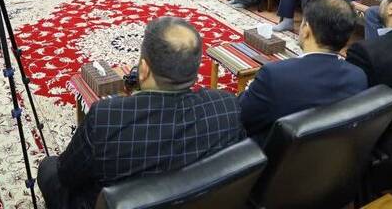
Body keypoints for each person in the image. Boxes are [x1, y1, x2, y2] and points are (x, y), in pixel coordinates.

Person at [36, 17, 245, 208]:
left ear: (143, 70)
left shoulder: (106, 118)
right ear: (195, 69)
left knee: (48, 168)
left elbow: (66, 175)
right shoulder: (226, 106)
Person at [239, 0, 367, 144]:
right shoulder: (358, 77)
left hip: (272, 154)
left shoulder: (275, 75)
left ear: (306, 30)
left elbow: (242, 117)